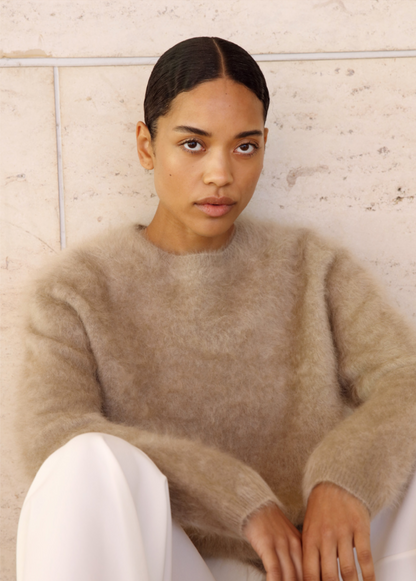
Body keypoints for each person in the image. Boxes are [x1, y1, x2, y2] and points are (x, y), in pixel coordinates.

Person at [16, 37, 416, 581]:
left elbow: (403, 378)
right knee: (83, 462)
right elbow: (53, 432)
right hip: (168, 565)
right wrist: (239, 499)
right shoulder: (76, 292)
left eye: (245, 147)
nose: (221, 174)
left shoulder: (314, 267)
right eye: (193, 144)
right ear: (146, 146)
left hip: (314, 562)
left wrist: (345, 479)